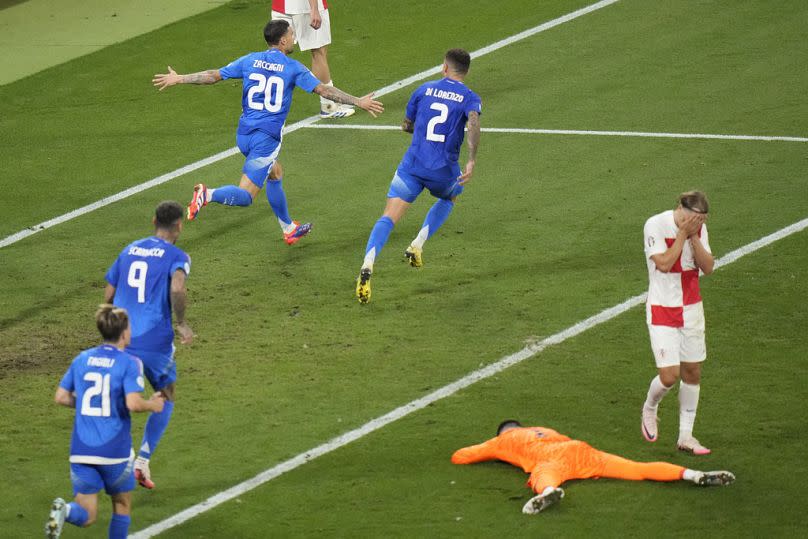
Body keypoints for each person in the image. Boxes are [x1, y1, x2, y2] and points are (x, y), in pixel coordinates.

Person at [152, 19, 384, 245]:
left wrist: (179, 78)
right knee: (246, 196)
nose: (294, 38)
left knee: (275, 172)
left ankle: (289, 229)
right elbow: (324, 90)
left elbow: (214, 76)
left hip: (244, 135)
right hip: (266, 140)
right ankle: (207, 194)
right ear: (282, 41)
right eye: (292, 35)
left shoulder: (250, 60)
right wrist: (358, 101)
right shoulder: (293, 67)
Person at [355, 48, 481, 303]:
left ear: (444, 67)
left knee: (388, 217)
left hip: (412, 166)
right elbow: (474, 124)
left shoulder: (423, 89)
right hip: (443, 171)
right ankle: (418, 243)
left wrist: (419, 132)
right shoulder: (470, 98)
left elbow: (406, 126)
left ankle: (368, 263)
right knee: (450, 197)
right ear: (465, 71)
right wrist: (471, 160)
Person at [46, 305, 165, 539]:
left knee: (86, 515)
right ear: (123, 333)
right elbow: (132, 403)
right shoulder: (130, 363)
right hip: (114, 452)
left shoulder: (82, 358)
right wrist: (153, 404)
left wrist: (84, 407)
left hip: (81, 451)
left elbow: (60, 397)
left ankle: (65, 510)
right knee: (121, 505)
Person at [451, 420, 735, 515]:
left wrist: (493, 448)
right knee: (637, 469)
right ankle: (693, 474)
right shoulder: (541, 428)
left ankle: (549, 492)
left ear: (504, 430)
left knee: (542, 475)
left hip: (552, 460)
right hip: (580, 449)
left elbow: (460, 456)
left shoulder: (502, 440)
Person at [103, 201, 193, 489]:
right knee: (165, 392)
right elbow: (177, 288)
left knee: (120, 398)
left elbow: (108, 293)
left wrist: (107, 327)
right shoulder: (177, 255)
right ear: (179, 225)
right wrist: (181, 323)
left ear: (153, 220)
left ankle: (122, 455)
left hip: (119, 336)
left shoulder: (129, 249)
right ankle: (142, 459)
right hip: (154, 340)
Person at [641, 191, 715, 455]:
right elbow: (663, 263)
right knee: (669, 376)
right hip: (662, 309)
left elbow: (707, 267)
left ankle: (686, 436)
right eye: (694, 218)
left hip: (691, 309)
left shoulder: (699, 229)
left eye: (702, 219)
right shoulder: (656, 224)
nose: (698, 222)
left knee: (693, 371)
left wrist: (694, 236)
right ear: (681, 208)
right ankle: (650, 406)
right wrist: (683, 234)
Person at [271, 0, 355, 118]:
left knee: (276, 55)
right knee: (318, 52)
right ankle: (328, 106)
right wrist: (314, 9)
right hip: (305, 8)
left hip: (280, 5)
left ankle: (264, 105)